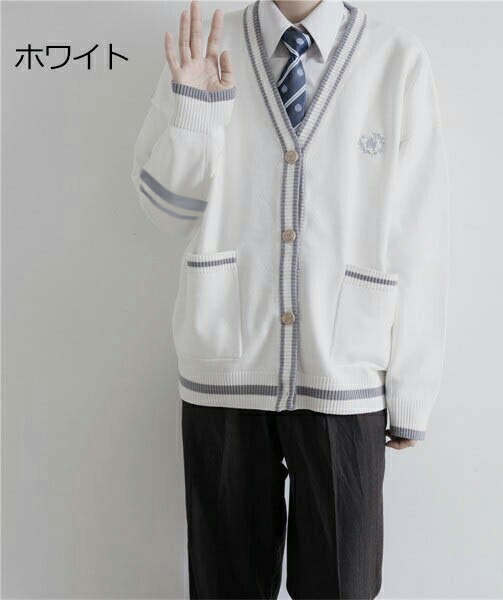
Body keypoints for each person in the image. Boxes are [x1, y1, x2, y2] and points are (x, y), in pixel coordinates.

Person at [131, 0, 449, 597]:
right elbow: (165, 213)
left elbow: (419, 234)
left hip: (345, 371)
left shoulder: (395, 60)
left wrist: (412, 387)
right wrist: (195, 116)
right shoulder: (209, 45)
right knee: (225, 586)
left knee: (341, 585)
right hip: (225, 363)